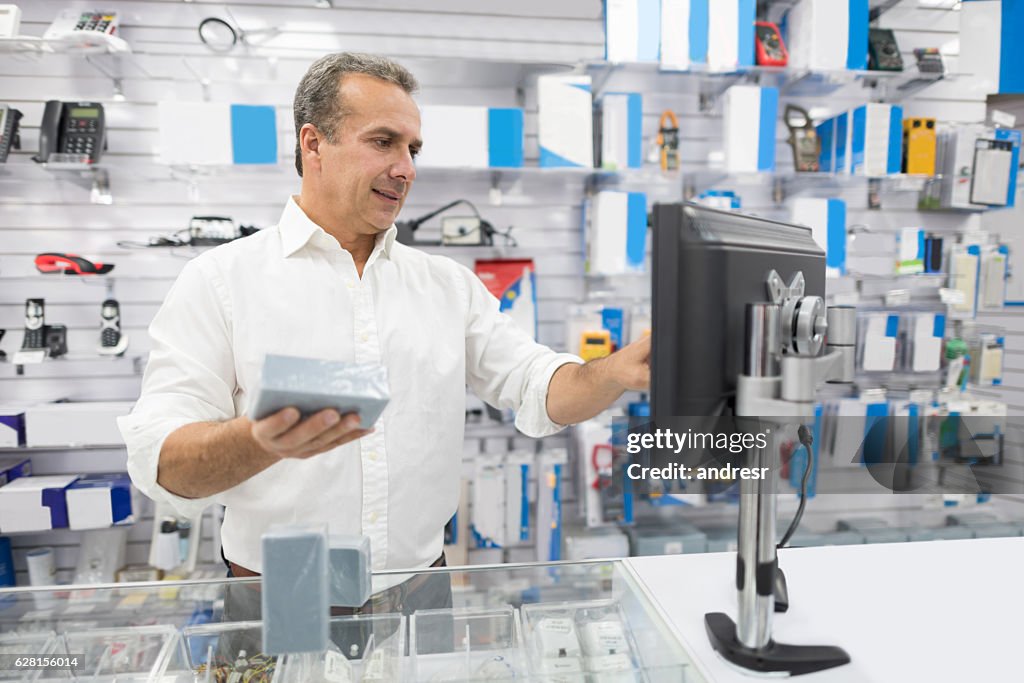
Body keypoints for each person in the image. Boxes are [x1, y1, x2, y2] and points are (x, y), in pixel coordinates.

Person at [118, 52, 651, 588]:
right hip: (283, 594)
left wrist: (613, 372)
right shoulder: (220, 281)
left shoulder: (446, 285)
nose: (407, 169)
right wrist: (261, 438)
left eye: (412, 149)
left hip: (421, 584)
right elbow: (161, 461)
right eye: (383, 142)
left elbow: (537, 385)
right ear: (313, 143)